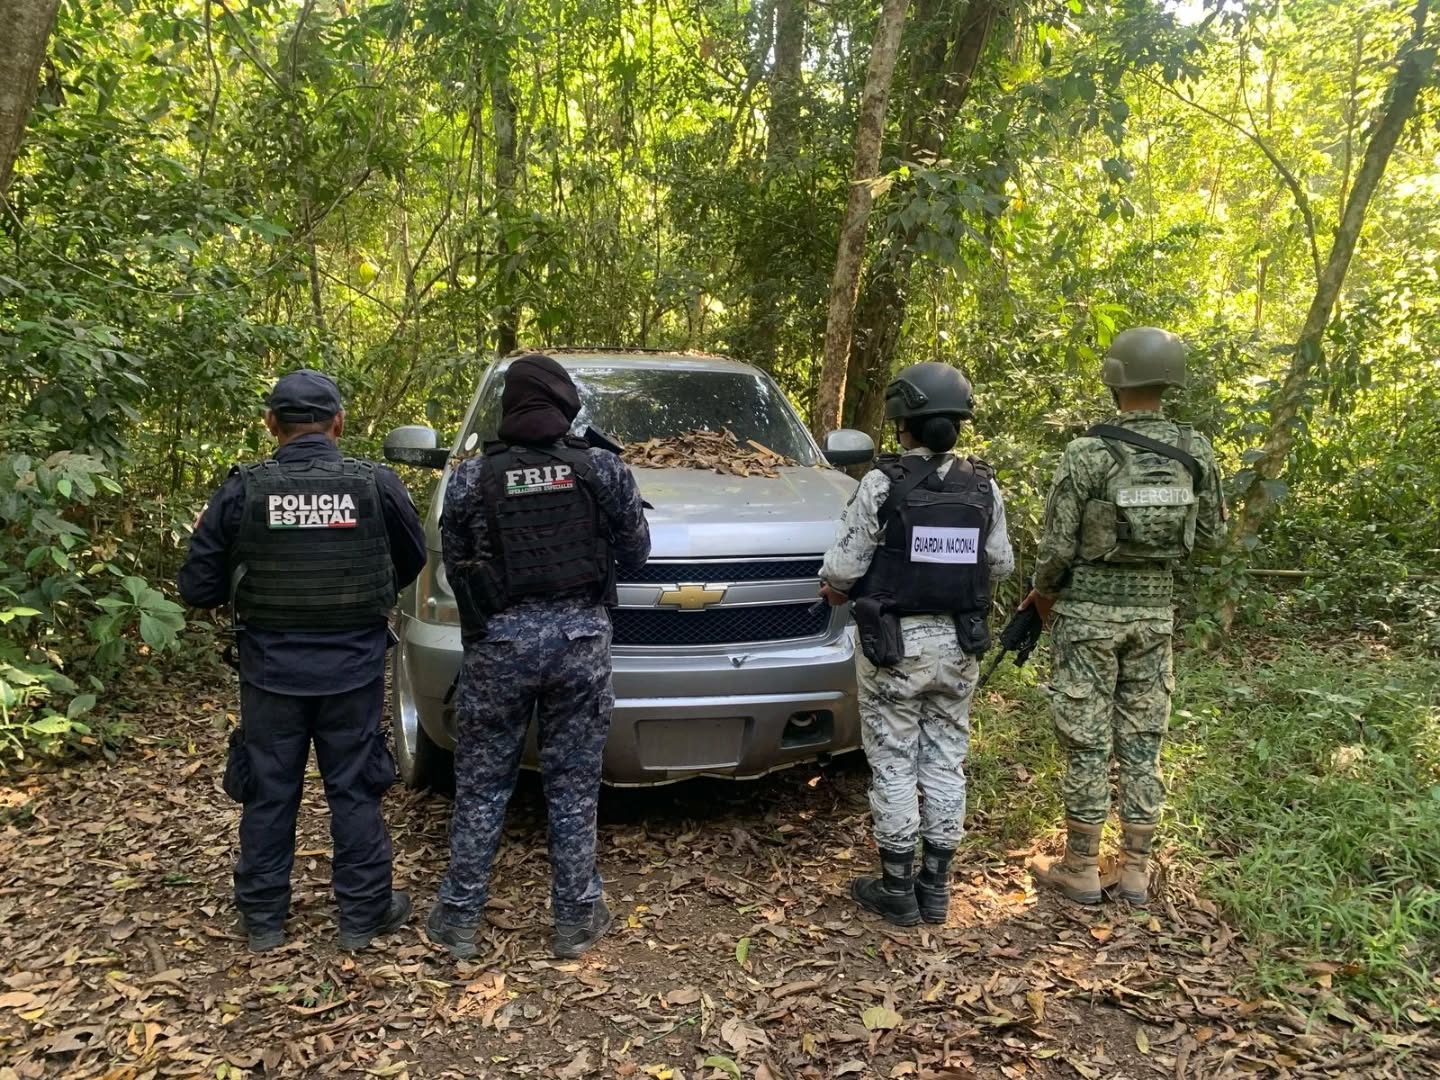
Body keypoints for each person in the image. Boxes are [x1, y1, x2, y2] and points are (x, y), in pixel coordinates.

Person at [178, 369, 426, 953]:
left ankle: (264, 918)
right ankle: (364, 914)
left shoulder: (244, 488)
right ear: (338, 423)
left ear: (271, 424)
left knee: (269, 788)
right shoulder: (374, 484)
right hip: (353, 667)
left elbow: (199, 587)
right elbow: (411, 560)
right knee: (354, 787)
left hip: (271, 671)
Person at [427, 353, 650, 961]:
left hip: (499, 646)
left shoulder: (472, 476)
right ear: (563, 404)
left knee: (481, 784)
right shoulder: (601, 467)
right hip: (580, 645)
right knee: (574, 785)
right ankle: (576, 919)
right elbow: (637, 552)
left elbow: (455, 559)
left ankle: (458, 917)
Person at [1022, 327, 1226, 905]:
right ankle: (1136, 869)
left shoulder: (1088, 452)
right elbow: (1210, 535)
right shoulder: (1195, 449)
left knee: (1086, 743)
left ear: (1115, 379)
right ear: (1169, 381)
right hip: (1154, 615)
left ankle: (1081, 868)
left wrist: (1043, 595)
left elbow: (1057, 546)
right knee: (1142, 741)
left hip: (1087, 615)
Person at [819, 362, 1015, 927]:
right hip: (960, 645)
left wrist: (832, 590)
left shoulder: (883, 483)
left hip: (894, 648)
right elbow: (1000, 565)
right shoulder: (983, 485)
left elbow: (844, 566)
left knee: (895, 763)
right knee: (947, 759)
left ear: (902, 420)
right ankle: (936, 889)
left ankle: (896, 887)